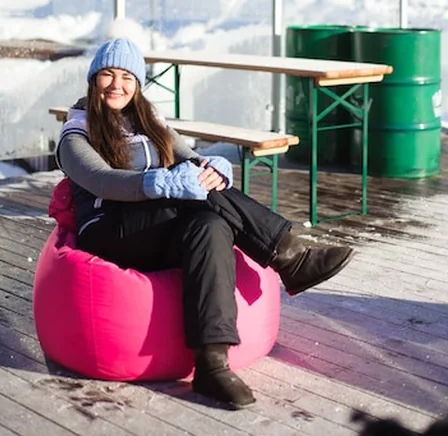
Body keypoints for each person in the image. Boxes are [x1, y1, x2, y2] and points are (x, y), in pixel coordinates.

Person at [55, 38, 354, 410]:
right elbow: (100, 179)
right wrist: (158, 182)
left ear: (138, 83)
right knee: (199, 194)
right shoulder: (77, 131)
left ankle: (211, 365)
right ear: (93, 79)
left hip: (153, 226)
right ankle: (289, 256)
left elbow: (191, 159)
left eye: (127, 76)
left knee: (210, 223)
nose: (117, 85)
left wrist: (214, 169)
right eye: (107, 75)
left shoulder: (149, 122)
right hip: (107, 231)